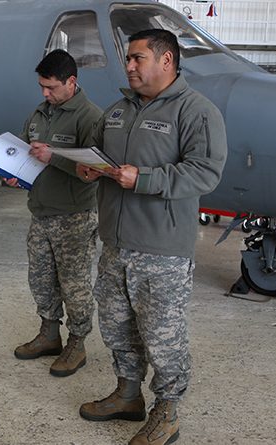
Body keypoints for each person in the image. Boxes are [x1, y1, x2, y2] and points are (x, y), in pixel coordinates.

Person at [76, 29, 227, 445]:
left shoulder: (196, 111)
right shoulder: (117, 110)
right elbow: (96, 153)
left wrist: (143, 179)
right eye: (129, 58)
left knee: (162, 335)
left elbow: (205, 171)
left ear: (166, 61)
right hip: (115, 243)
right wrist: (86, 168)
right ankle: (127, 395)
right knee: (117, 326)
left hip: (162, 250)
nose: (128, 66)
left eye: (137, 58)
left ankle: (168, 411)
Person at [8, 49, 101, 378]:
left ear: (71, 82)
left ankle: (77, 343)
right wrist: (12, 169)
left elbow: (95, 169)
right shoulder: (40, 113)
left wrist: (55, 158)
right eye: (41, 87)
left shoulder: (89, 117)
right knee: (41, 279)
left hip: (74, 216)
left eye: (50, 87)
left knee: (74, 284)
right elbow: (24, 146)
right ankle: (49, 334)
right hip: (41, 212)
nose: (45, 93)